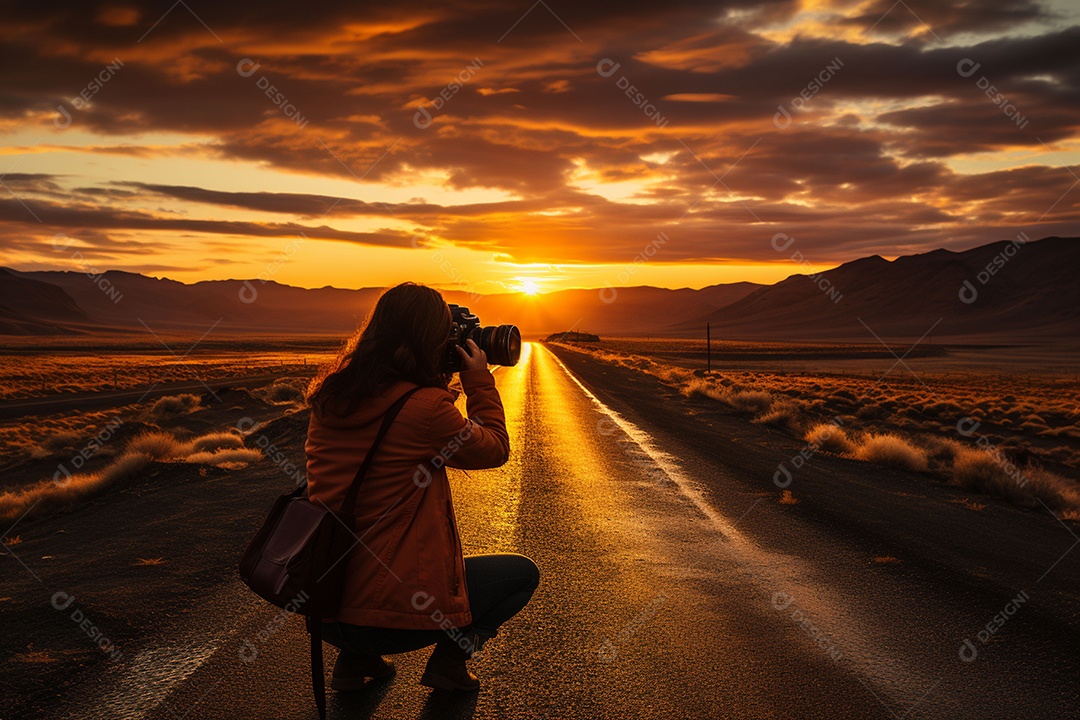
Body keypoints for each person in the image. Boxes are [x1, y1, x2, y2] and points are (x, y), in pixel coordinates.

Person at [304, 282, 540, 692]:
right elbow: (495, 449)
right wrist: (479, 382)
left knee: (370, 550)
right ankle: (449, 664)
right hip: (386, 620)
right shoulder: (425, 409)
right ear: (433, 340)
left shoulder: (334, 394)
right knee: (520, 574)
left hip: (322, 608)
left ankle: (353, 662)